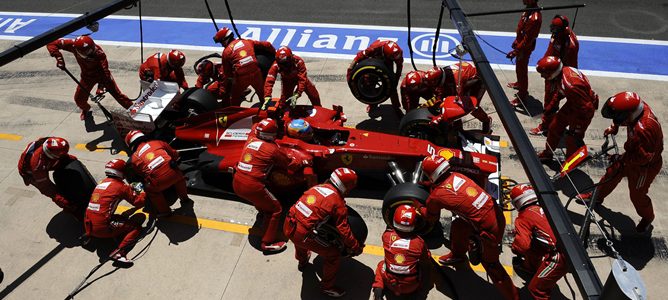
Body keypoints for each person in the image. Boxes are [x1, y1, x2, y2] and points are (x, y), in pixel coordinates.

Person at [420, 155, 518, 300]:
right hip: (495, 214)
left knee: (492, 266)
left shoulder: (436, 196)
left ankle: (513, 297)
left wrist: (419, 208)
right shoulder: (457, 175)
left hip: (488, 230)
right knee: (459, 226)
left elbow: (430, 217)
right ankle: (458, 256)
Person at [577, 92, 663, 233]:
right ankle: (596, 197)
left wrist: (622, 159)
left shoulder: (645, 129)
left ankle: (648, 218)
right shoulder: (637, 109)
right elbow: (622, 118)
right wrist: (614, 127)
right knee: (611, 173)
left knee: (637, 196)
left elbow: (643, 158)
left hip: (644, 167)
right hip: (632, 154)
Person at [284, 167, 364, 298]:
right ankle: (327, 287)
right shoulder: (337, 203)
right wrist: (355, 246)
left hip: (288, 223)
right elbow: (344, 230)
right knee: (333, 254)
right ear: (344, 186)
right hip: (303, 235)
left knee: (299, 238)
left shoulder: (317, 187)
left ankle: (302, 261)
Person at [233, 118, 293, 252]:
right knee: (276, 209)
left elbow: (254, 126)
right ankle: (267, 243)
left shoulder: (251, 139)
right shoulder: (272, 149)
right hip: (253, 186)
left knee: (263, 200)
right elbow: (288, 163)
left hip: (237, 182)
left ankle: (262, 212)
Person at [47, 35, 132, 120]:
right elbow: (51, 43)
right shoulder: (72, 45)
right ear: (77, 50)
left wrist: (101, 87)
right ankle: (86, 109)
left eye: (92, 49)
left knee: (119, 96)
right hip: (87, 77)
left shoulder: (99, 54)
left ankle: (135, 111)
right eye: (88, 53)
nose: (92, 53)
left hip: (103, 76)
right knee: (79, 99)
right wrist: (59, 58)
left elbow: (104, 72)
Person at [509, 184, 567, 300]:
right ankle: (530, 268)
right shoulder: (547, 207)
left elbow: (522, 246)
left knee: (536, 289)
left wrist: (514, 247)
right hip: (568, 243)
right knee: (534, 245)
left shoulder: (523, 217)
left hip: (560, 256)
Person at [535, 56, 598, 161]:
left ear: (553, 72)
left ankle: (570, 161)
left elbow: (586, 107)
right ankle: (548, 153)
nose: (542, 76)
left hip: (583, 111)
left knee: (572, 139)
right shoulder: (563, 73)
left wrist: (577, 127)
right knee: (554, 127)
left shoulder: (570, 85)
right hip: (574, 103)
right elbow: (560, 93)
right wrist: (551, 107)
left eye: (544, 74)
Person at [84, 159, 146, 265]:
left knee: (119, 217)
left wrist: (129, 188)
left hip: (88, 225)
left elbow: (113, 193)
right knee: (136, 228)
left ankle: (100, 234)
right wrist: (145, 192)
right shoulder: (121, 187)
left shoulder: (102, 183)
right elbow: (139, 202)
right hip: (102, 228)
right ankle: (118, 253)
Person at [125, 130, 192, 218]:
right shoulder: (157, 143)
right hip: (174, 174)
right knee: (179, 178)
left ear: (131, 144)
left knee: (152, 192)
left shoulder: (133, 159)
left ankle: (165, 212)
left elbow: (139, 176)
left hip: (157, 182)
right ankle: (185, 199)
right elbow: (175, 155)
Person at [530, 15, 580, 133]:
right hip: (550, 70)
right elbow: (551, 50)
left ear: (563, 29)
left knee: (550, 100)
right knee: (550, 99)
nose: (553, 31)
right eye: (552, 28)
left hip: (557, 75)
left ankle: (546, 126)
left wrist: (556, 77)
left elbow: (569, 66)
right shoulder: (557, 35)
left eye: (556, 29)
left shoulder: (570, 45)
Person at [371, 205, 431, 299]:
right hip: (411, 286)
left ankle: (378, 287)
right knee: (424, 267)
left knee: (381, 265)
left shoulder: (386, 236)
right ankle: (419, 290)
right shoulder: (419, 242)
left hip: (391, 284)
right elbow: (426, 258)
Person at [18, 137, 82, 217]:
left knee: (71, 160)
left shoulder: (50, 142)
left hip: (44, 159)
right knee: (54, 193)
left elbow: (65, 157)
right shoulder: (38, 166)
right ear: (50, 156)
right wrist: (65, 202)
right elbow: (47, 188)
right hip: (29, 173)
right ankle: (70, 210)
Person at [213, 27, 276, 106]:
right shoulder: (246, 41)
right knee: (263, 96)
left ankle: (235, 115)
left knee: (234, 100)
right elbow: (267, 44)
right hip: (256, 73)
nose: (222, 45)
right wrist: (275, 54)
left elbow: (227, 73)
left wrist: (232, 81)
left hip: (241, 77)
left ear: (225, 40)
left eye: (221, 42)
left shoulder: (226, 52)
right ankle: (267, 113)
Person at [424, 62, 492, 133]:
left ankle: (486, 121)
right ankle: (457, 128)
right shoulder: (443, 74)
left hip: (480, 79)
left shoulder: (456, 82)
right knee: (446, 98)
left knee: (472, 106)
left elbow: (458, 104)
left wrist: (440, 118)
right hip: (466, 76)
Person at [347, 40, 404, 117]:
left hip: (387, 63)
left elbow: (399, 67)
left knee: (392, 86)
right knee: (368, 82)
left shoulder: (397, 53)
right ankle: (372, 104)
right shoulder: (374, 48)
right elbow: (358, 58)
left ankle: (396, 107)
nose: (395, 59)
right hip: (373, 59)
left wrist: (395, 81)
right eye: (392, 57)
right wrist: (350, 71)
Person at [507, 0, 542, 106]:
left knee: (522, 70)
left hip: (525, 48)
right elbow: (521, 29)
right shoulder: (528, 10)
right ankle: (519, 83)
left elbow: (527, 40)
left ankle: (522, 96)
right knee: (519, 67)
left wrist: (516, 51)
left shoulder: (534, 18)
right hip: (521, 44)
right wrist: (516, 40)